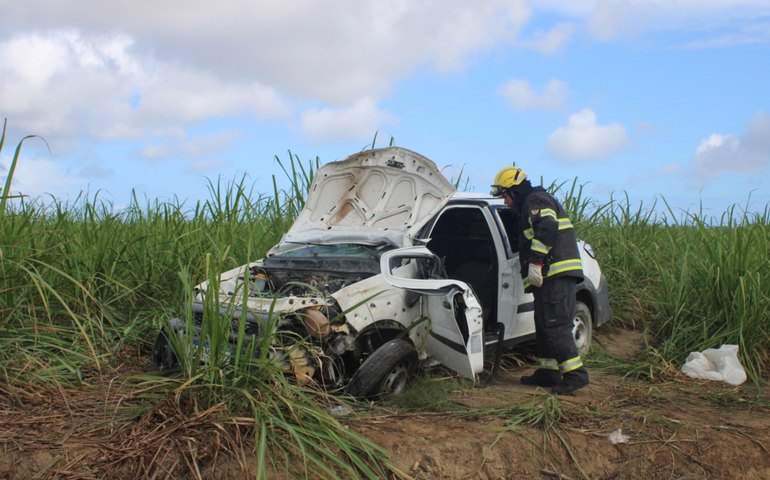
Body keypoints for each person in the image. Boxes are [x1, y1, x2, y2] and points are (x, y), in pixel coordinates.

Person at [490, 166, 589, 395]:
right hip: (550, 276)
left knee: (555, 326)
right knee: (545, 326)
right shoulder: (532, 202)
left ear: (514, 191)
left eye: (505, 196)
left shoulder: (536, 200)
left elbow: (547, 227)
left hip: (555, 273)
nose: (505, 202)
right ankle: (548, 372)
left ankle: (575, 375)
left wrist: (536, 262)